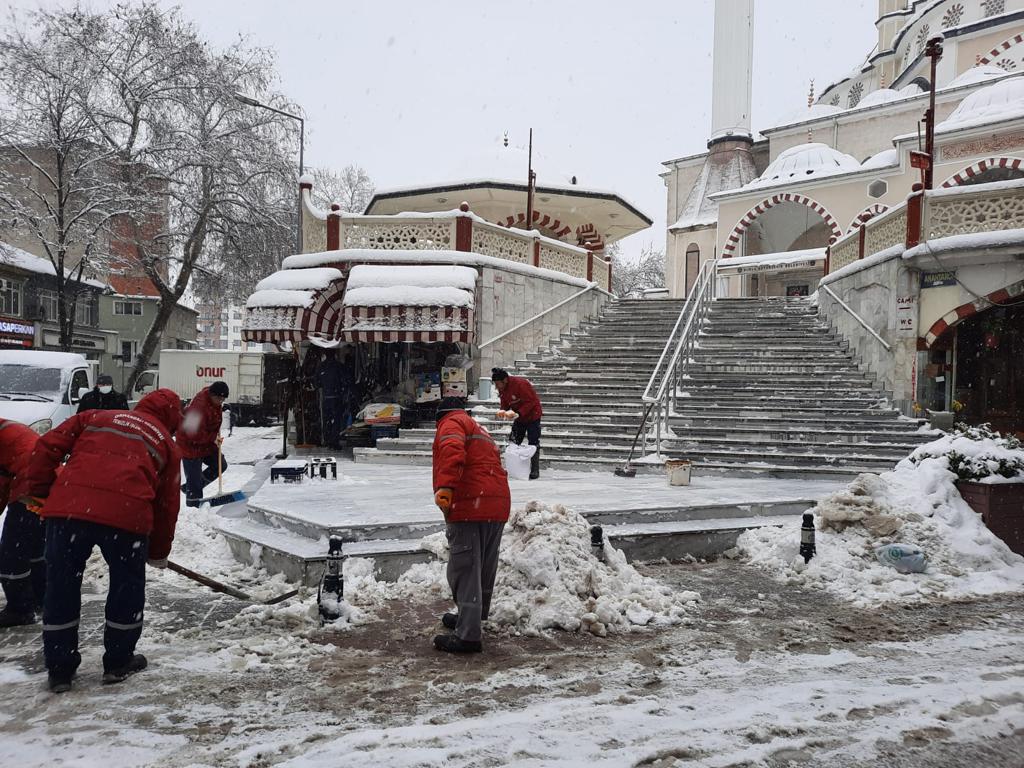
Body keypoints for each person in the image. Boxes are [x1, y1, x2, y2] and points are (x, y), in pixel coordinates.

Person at [16, 388, 183, 693]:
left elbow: (46, 446)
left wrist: (40, 490)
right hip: (127, 518)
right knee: (126, 588)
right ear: (173, 417)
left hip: (69, 513)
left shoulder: (94, 417)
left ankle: (59, 670)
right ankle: (118, 662)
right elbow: (167, 503)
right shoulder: (166, 444)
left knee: (61, 587)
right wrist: (157, 551)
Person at [431, 396, 511, 654]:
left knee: (464, 569)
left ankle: (468, 635)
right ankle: (473, 617)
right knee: (484, 566)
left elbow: (452, 449)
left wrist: (446, 487)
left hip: (470, 503)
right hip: (495, 503)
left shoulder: (451, 422)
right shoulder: (479, 428)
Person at [0, 419, 43, 627]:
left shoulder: (5, 436)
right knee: (35, 548)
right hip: (47, 483)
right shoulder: (10, 428)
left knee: (11, 552)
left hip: (29, 489)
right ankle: (40, 599)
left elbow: (1, 483)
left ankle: (20, 609)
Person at [178, 381, 228, 506]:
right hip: (189, 446)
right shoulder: (198, 407)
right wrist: (211, 437)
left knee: (220, 464)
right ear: (212, 395)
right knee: (194, 488)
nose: (221, 401)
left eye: (223, 399)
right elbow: (190, 432)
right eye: (219, 398)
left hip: (205, 444)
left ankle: (192, 485)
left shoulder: (214, 403)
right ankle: (193, 508)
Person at [491, 367, 543, 480]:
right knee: (514, 440)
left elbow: (531, 401)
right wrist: (503, 411)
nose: (496, 387)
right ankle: (514, 465)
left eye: (497, 384)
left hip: (532, 415)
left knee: (533, 441)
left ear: (505, 380)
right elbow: (504, 402)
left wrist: (519, 413)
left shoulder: (521, 384)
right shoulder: (502, 388)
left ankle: (534, 469)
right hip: (518, 416)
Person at [316, 349, 352, 448]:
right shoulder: (339, 366)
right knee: (336, 420)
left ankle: (328, 440)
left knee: (327, 420)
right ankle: (334, 441)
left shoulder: (321, 366)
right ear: (335, 354)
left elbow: (317, 382)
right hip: (337, 397)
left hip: (326, 397)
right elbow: (346, 381)